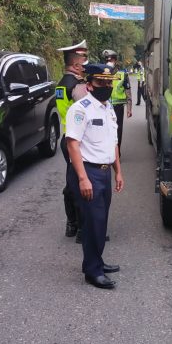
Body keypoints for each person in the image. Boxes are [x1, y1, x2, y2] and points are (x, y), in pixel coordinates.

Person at [66, 63, 124, 290]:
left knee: (100, 222)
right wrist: (82, 178)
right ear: (89, 85)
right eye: (101, 82)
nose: (107, 86)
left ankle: (95, 261)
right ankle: (93, 271)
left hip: (104, 171)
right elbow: (72, 144)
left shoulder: (108, 107)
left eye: (109, 82)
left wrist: (118, 171)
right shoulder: (81, 109)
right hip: (88, 172)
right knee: (92, 223)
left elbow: (114, 143)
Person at [55, 40, 89, 238]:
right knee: (80, 183)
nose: (86, 65)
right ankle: (82, 227)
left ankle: (72, 224)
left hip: (67, 137)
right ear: (76, 65)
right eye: (84, 61)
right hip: (78, 141)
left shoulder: (62, 84)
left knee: (71, 181)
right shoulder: (77, 87)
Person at [102, 49, 132, 151]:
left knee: (117, 130)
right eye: (107, 61)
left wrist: (129, 108)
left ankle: (117, 152)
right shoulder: (101, 73)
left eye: (111, 61)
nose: (109, 63)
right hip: (103, 107)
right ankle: (107, 151)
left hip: (118, 107)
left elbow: (128, 91)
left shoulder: (123, 74)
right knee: (104, 130)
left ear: (115, 61)